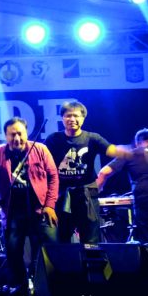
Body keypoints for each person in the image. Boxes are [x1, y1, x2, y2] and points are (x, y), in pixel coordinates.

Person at [0, 117, 58, 296]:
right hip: (12, 212)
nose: (17, 138)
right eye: (12, 135)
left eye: (20, 133)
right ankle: (20, 290)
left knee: (45, 252)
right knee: (13, 252)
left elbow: (53, 177)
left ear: (26, 133)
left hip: (40, 210)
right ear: (5, 136)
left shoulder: (40, 149)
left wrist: (50, 205)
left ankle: (46, 291)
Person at [45, 101, 120, 244]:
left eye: (76, 116)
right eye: (68, 116)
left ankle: (92, 260)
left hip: (87, 196)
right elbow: (41, 164)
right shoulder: (53, 139)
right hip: (61, 196)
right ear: (62, 118)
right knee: (62, 239)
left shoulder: (93, 138)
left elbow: (115, 152)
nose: (72, 119)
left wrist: (101, 178)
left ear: (83, 118)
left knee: (91, 240)